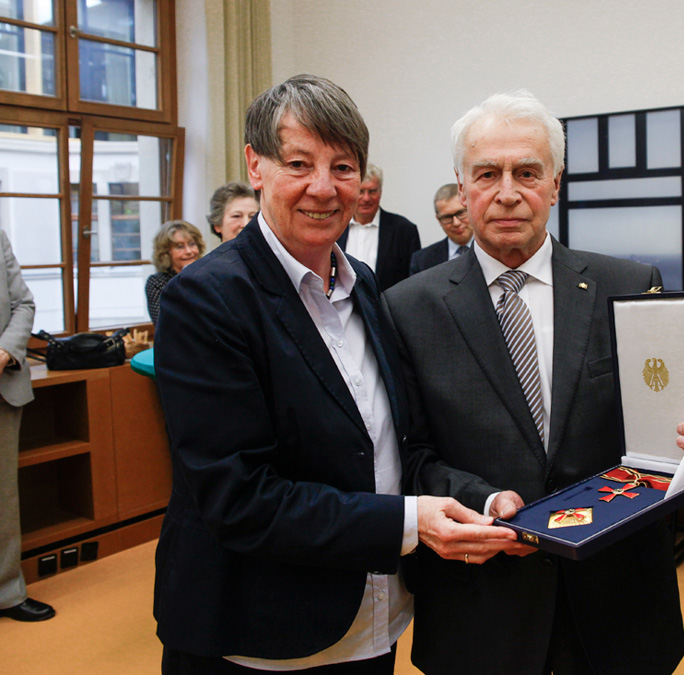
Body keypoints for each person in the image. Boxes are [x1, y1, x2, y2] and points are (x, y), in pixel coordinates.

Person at [152, 74, 515, 674]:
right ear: (256, 166)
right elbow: (239, 498)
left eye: (343, 167)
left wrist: (477, 497)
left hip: (373, 622)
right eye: (300, 163)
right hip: (260, 638)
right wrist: (410, 521)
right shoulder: (205, 300)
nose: (323, 188)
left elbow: (394, 446)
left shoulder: (366, 287)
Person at [382, 90, 684, 674]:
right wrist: (487, 500)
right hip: (483, 603)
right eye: (487, 173)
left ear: (555, 183)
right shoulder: (407, 307)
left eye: (527, 172)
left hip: (616, 598)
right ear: (462, 184)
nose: (507, 192)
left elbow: (667, 433)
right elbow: (411, 455)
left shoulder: (631, 286)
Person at [0, 230, 55, 623]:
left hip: (2, 380)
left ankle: (8, 591)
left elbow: (22, 302)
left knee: (4, 498)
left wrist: (5, 351)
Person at [337, 164, 421, 290]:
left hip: (388, 307)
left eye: (372, 191)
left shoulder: (404, 230)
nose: (366, 198)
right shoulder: (335, 226)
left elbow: (414, 281)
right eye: (361, 191)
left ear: (380, 192)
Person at [145, 220, 205, 325]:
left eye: (192, 244)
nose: (189, 251)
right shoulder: (157, 282)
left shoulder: (208, 275)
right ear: (166, 253)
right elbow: (165, 324)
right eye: (180, 247)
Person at [409, 183, 473, 275]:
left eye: (460, 213)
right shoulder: (422, 261)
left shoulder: (494, 249)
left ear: (471, 209)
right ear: (438, 220)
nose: (456, 223)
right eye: (447, 217)